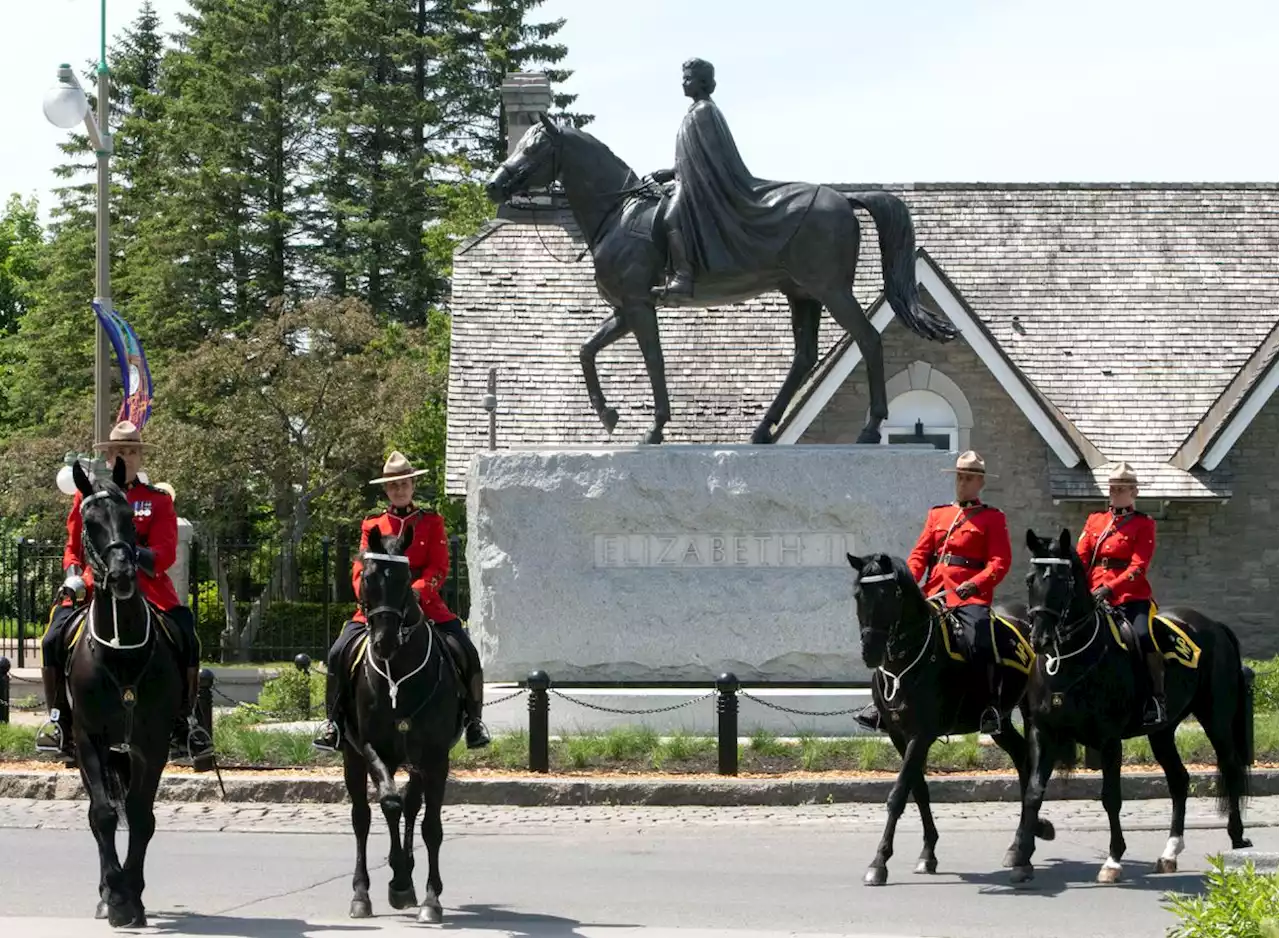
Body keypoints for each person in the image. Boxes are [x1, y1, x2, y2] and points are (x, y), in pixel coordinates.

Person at [35, 421, 211, 762]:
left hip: (147, 588)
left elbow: (165, 552)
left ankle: (185, 723)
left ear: (140, 458)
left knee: (187, 636)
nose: (124, 457)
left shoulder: (156, 501)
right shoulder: (88, 498)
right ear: (108, 455)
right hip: (94, 587)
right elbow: (73, 547)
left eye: (131, 452)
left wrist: (133, 557)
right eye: (118, 451)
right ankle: (58, 720)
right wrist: (73, 574)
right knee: (52, 637)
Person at [313, 451, 491, 752]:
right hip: (381, 608)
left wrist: (416, 593)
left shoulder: (432, 522)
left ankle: (474, 722)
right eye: (393, 485)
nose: (399, 490)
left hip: (425, 605)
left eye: (404, 484)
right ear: (386, 490)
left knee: (467, 652)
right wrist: (367, 596)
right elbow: (361, 569)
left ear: (412, 486)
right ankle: (334, 723)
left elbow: (439, 567)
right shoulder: (373, 525)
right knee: (338, 652)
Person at [854, 450, 1012, 735]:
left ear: (980, 483)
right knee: (893, 633)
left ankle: (989, 706)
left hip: (969, 596)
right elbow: (919, 555)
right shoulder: (938, 514)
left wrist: (974, 584)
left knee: (979, 641)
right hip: (933, 592)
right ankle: (880, 705)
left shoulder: (992, 518)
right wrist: (908, 583)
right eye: (960, 477)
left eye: (969, 478)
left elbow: (999, 563)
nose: (963, 482)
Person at [646, 57, 805, 301]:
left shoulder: (704, 112)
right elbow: (693, 157)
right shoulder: (698, 111)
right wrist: (672, 171)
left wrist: (676, 173)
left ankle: (683, 276)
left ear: (701, 83)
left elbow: (709, 158)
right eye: (683, 78)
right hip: (691, 181)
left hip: (704, 186)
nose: (683, 83)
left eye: (688, 79)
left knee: (671, 218)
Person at [1076, 462, 1164, 725]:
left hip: (1130, 598)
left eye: (1122, 488)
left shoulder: (1143, 524)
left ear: (1134, 492)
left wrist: (1110, 587)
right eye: (1113, 487)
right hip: (1094, 595)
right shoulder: (1095, 521)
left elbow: (1138, 567)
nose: (1115, 492)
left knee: (1142, 637)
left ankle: (1154, 698)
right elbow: (1082, 558)